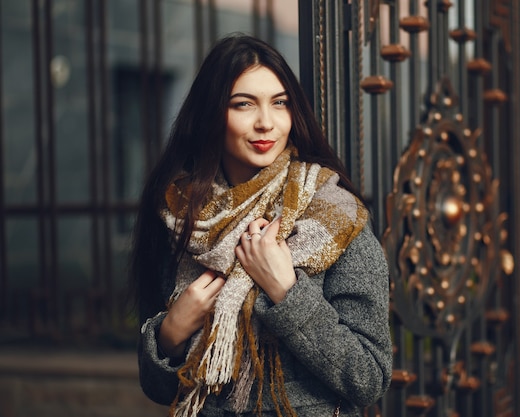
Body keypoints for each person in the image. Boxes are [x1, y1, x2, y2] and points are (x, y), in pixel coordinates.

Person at [130, 33, 392, 417]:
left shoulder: (334, 214)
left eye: (280, 103)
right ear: (212, 114)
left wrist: (287, 291)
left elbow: (368, 377)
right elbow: (158, 388)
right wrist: (170, 333)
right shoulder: (180, 215)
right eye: (243, 104)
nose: (266, 122)